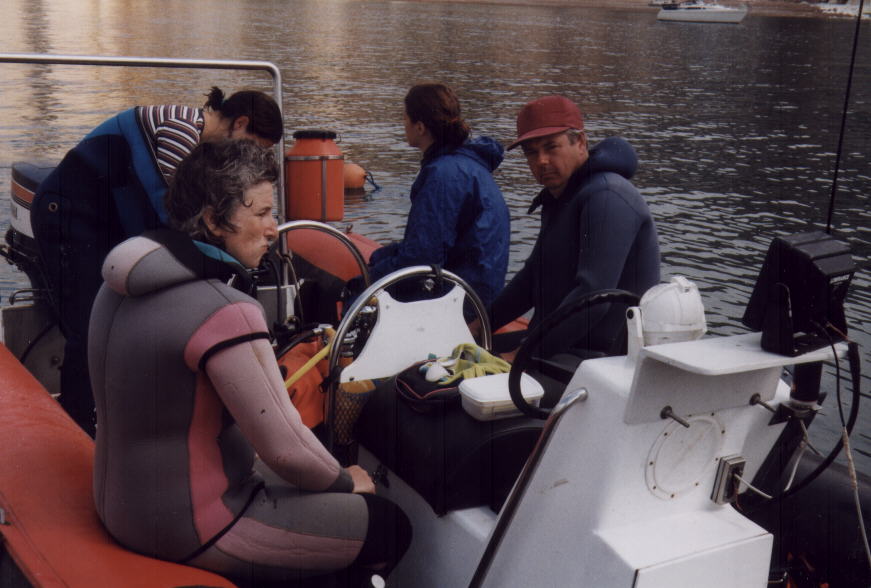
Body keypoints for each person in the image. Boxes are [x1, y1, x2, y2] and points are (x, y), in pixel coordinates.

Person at [88, 140, 411, 586]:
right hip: (195, 527)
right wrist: (343, 481)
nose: (274, 228)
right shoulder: (227, 311)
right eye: (261, 214)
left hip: (120, 505)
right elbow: (286, 451)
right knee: (389, 525)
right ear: (214, 221)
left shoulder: (118, 285)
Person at [31, 86, 283, 436]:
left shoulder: (197, 142)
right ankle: (82, 429)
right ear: (240, 123)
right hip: (68, 215)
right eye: (254, 145)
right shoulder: (179, 132)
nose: (248, 157)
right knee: (87, 327)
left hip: (101, 218)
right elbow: (175, 215)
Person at [485, 95, 660, 367]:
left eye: (551, 147)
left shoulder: (607, 195)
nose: (541, 161)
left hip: (603, 361)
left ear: (580, 142)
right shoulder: (560, 197)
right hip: (562, 348)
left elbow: (594, 296)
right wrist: (478, 326)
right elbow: (531, 280)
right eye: (531, 152)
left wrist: (520, 357)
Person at [366, 83, 510, 308]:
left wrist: (371, 275)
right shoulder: (469, 165)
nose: (403, 125)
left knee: (354, 289)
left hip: (459, 304)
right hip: (478, 290)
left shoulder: (442, 175)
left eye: (405, 118)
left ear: (420, 127)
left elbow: (421, 259)